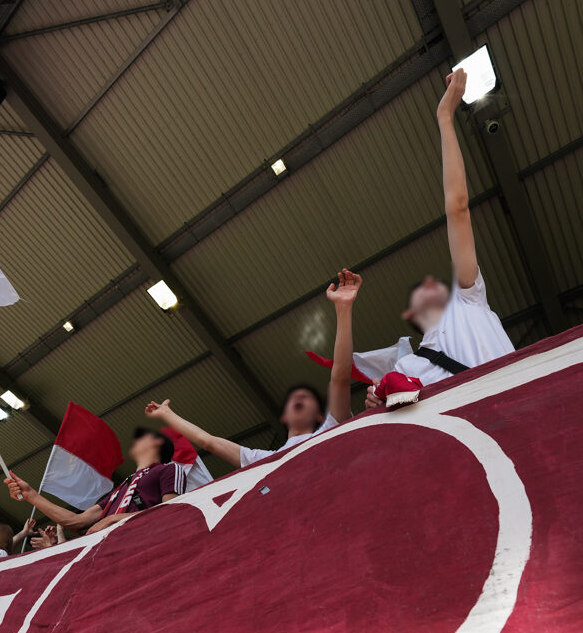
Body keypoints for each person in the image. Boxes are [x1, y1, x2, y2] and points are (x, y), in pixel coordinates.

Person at [365, 67, 514, 410]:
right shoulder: (405, 369)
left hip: (519, 407)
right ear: (410, 313)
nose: (435, 281)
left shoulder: (469, 297)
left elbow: (458, 207)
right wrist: (376, 401)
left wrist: (445, 117)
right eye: (425, 285)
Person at [145, 268, 362, 468]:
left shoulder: (332, 428)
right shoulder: (262, 460)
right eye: (294, 397)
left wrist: (343, 309)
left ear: (318, 416)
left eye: (307, 398)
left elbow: (340, 376)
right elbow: (208, 442)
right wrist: (167, 414)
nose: (299, 399)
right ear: (283, 417)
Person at [4, 429, 186, 534]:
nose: (136, 440)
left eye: (144, 437)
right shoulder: (120, 489)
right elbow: (77, 521)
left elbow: (172, 511)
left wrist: (113, 520)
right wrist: (32, 495)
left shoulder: (169, 468)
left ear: (157, 443)